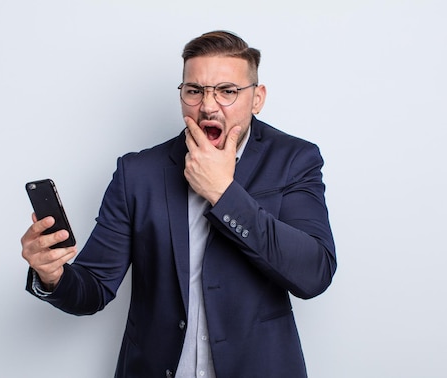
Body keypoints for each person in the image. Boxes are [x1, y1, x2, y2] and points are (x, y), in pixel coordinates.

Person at [21, 30, 336, 378]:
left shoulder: (294, 160)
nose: (208, 105)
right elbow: (94, 288)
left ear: (257, 98)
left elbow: (314, 274)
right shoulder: (138, 173)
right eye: (194, 90)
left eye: (227, 91)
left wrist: (223, 194)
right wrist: (52, 277)